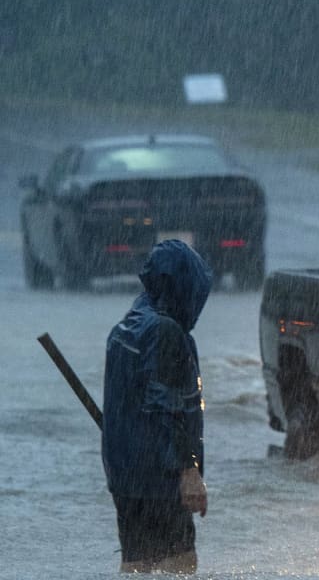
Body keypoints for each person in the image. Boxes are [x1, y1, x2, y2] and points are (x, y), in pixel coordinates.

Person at [102, 239, 212, 573]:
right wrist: (189, 470)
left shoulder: (126, 328)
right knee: (180, 564)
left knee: (136, 564)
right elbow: (170, 409)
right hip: (161, 477)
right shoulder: (166, 333)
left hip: (125, 475)